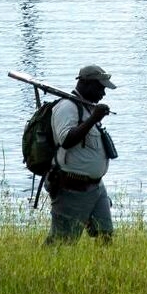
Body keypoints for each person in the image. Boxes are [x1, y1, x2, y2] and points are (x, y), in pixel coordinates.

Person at [46, 63, 116, 243]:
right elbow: (66, 140)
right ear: (85, 83)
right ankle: (46, 269)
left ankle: (103, 270)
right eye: (100, 87)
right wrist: (94, 119)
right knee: (62, 242)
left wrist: (93, 116)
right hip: (72, 187)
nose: (103, 93)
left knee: (105, 235)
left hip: (96, 187)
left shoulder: (87, 107)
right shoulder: (66, 107)